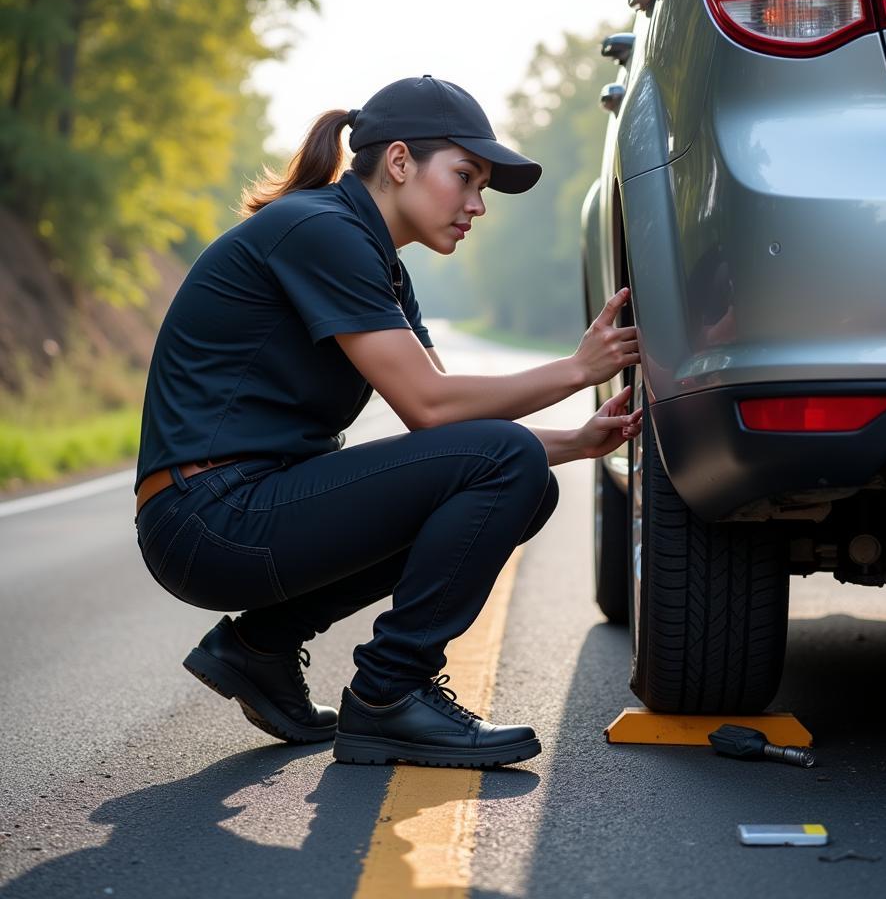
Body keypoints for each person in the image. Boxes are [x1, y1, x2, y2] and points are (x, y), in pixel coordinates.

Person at [133, 75, 641, 769]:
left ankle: (259, 649)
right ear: (400, 162)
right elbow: (429, 405)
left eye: (482, 186)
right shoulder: (321, 231)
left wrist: (575, 444)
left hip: (235, 509)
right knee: (507, 461)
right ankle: (389, 694)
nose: (477, 205)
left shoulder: (380, 267)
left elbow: (447, 433)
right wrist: (578, 370)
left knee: (525, 479)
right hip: (209, 517)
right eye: (465, 177)